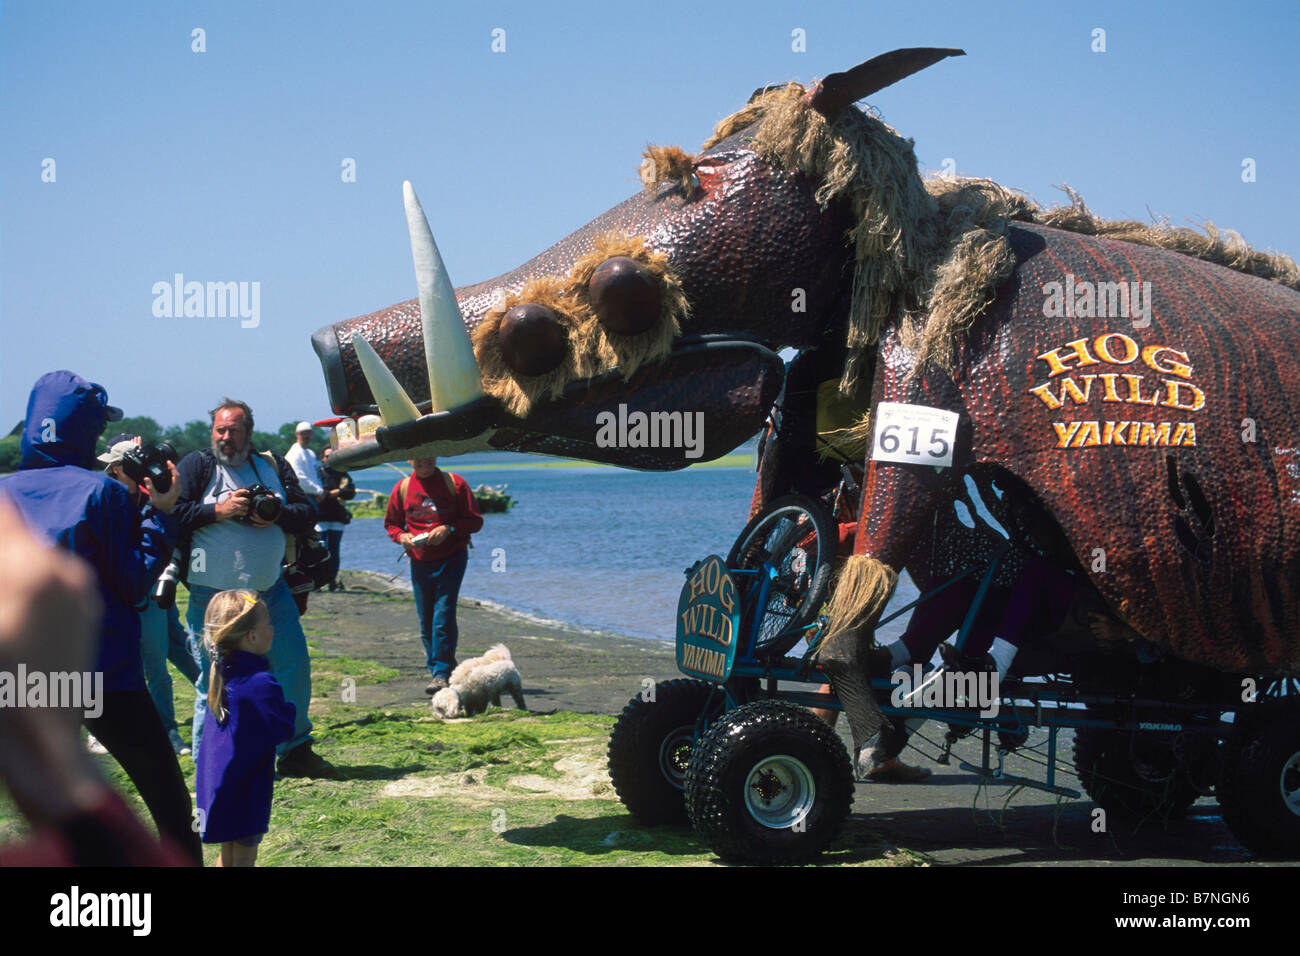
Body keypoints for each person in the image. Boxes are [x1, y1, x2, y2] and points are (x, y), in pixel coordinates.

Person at [0, 370, 202, 864]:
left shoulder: (4, 494)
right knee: (168, 804)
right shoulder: (101, 492)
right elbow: (134, 583)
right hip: (104, 672)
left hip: (26, 677)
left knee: (57, 808)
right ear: (87, 430)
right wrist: (163, 512)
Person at [172, 398, 339, 778]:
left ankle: (295, 750)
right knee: (213, 681)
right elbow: (171, 514)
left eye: (233, 430)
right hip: (211, 597)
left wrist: (277, 513)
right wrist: (219, 511)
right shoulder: (198, 466)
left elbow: (308, 512)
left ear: (248, 432)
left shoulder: (271, 465)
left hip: (270, 592)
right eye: (220, 429)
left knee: (293, 666)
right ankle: (209, 767)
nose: (225, 437)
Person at [99, 434, 200, 755]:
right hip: (133, 595)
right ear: (116, 469)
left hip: (153, 592)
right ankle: (169, 731)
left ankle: (199, 711)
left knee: (163, 660)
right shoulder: (107, 500)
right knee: (154, 664)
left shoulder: (149, 496)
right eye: (130, 465)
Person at [195, 590, 296, 867]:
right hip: (247, 787)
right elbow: (280, 728)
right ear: (251, 636)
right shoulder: (259, 682)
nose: (273, 630)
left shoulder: (224, 673)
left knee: (227, 852)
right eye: (268, 624)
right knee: (244, 857)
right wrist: (289, 710)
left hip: (220, 783)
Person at [384, 457, 483, 694]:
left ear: (437, 455)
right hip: (419, 561)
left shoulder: (455, 483)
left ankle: (441, 673)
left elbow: (475, 521)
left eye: (429, 454)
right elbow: (392, 525)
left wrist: (448, 528)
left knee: (443, 613)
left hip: (452, 556)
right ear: (408, 459)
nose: (424, 460)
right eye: (418, 456)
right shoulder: (402, 488)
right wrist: (402, 538)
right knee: (426, 619)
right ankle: (442, 668)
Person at [316, 445, 356, 591]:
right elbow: (311, 488)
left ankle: (332, 581)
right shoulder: (317, 472)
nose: (329, 459)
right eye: (327, 456)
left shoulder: (342, 473)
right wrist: (327, 493)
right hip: (320, 518)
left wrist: (339, 492)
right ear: (322, 458)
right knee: (320, 551)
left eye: (332, 456)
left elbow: (351, 491)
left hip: (337, 518)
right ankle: (318, 582)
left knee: (334, 551)